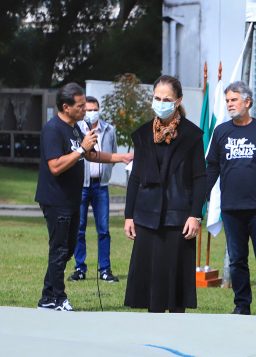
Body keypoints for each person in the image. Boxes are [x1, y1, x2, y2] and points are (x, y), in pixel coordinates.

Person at [35, 83, 132, 311]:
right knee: (59, 249)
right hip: (56, 199)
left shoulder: (75, 128)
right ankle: (58, 298)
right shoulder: (53, 129)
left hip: (72, 198)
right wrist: (80, 149)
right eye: (81, 107)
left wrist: (121, 158)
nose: (86, 110)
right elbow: (56, 167)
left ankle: (47, 297)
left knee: (68, 249)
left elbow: (90, 155)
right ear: (66, 107)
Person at [123, 75, 206, 313]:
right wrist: (129, 215)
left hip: (178, 219)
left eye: (166, 99)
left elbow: (200, 177)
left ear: (178, 101)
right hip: (147, 218)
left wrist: (195, 215)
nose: (161, 102)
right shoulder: (142, 135)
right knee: (152, 289)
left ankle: (175, 338)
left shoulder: (192, 135)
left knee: (175, 289)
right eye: (157, 98)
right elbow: (136, 177)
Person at [206, 81, 256, 316]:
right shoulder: (221, 132)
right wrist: (200, 199)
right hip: (231, 208)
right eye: (227, 101)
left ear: (247, 102)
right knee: (237, 261)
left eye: (234, 100)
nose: (229, 104)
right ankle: (242, 305)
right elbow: (212, 168)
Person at [68, 96, 120, 284]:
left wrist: (104, 173)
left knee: (104, 229)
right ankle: (80, 268)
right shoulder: (76, 129)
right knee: (79, 228)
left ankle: (104, 269)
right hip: (81, 186)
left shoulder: (109, 129)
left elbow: (111, 154)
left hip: (101, 185)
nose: (91, 112)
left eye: (94, 109)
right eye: (88, 109)